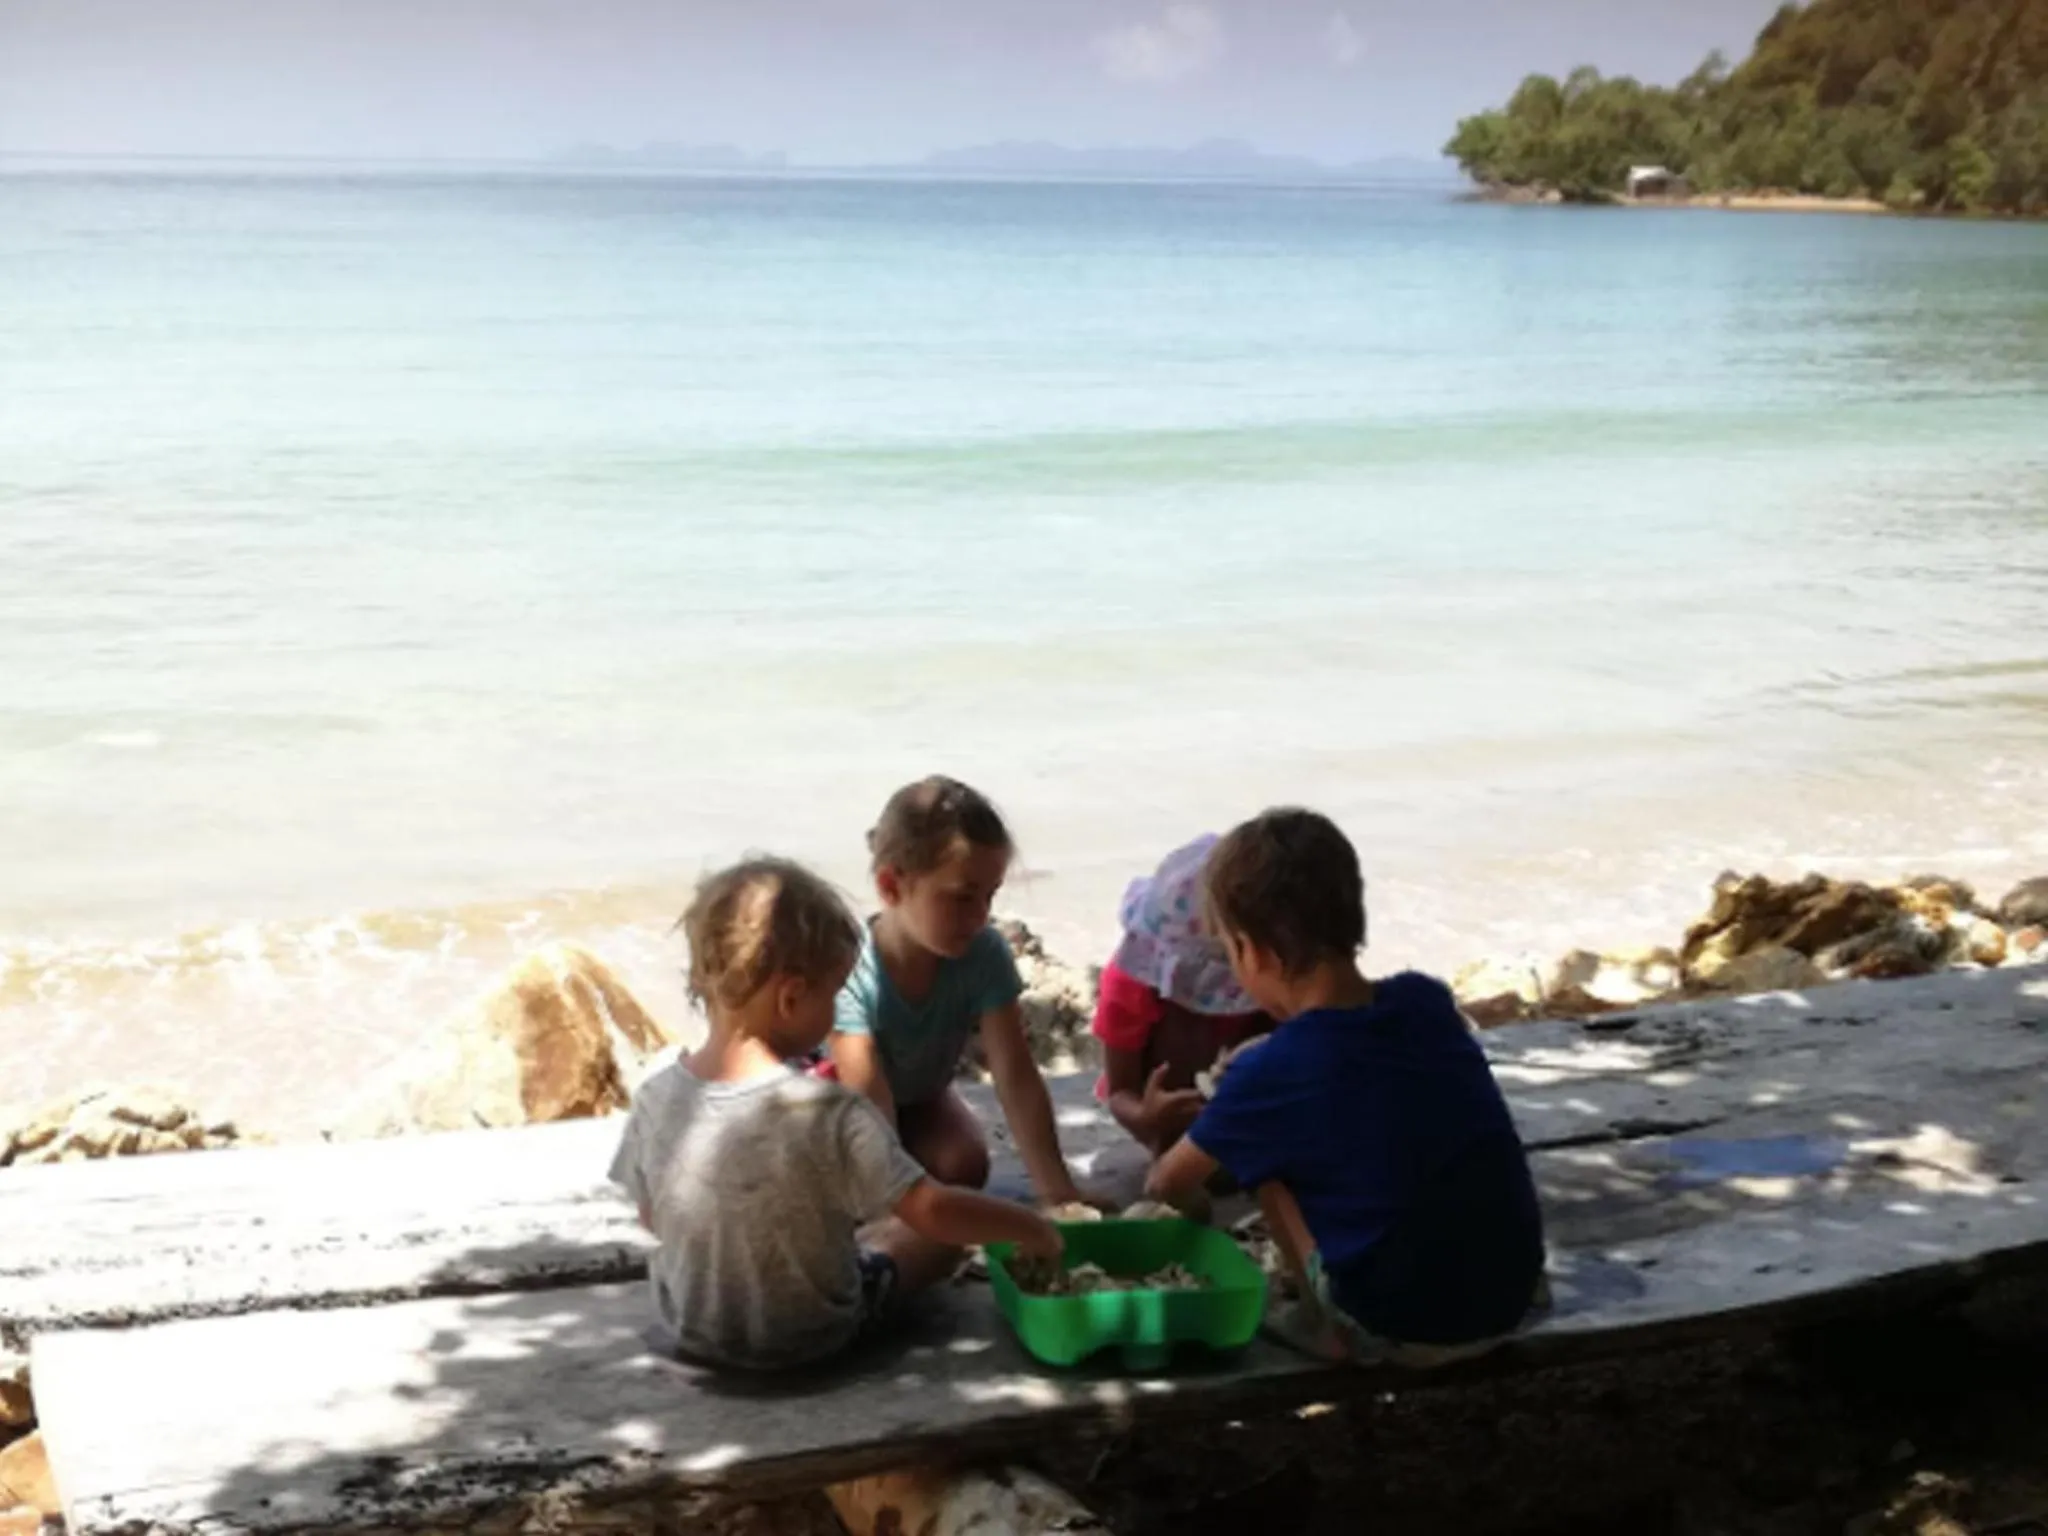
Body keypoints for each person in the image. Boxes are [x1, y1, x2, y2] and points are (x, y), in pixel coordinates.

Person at [610, 856, 1061, 1371]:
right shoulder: (829, 1112)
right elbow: (934, 1211)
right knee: (933, 1242)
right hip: (813, 1336)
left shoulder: (655, 1097)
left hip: (693, 1331)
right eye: (835, 993)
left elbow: (651, 1216)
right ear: (792, 997)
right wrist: (1029, 1227)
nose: (837, 1012)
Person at [1146, 808, 1546, 1364]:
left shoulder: (1271, 1076)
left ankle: (1324, 1324)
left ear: (1254, 952)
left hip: (1402, 1322)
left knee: (1269, 1162)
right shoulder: (1424, 1001)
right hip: (1512, 1295)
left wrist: (1186, 1162)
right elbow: (1359, 1063)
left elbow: (1167, 1182)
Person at [827, 776, 1096, 1208]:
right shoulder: (851, 968)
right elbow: (868, 1102)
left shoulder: (982, 953)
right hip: (844, 1112)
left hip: (921, 1097)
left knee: (964, 1165)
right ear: (892, 887)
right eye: (961, 898)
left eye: (989, 897)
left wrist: (1057, 1192)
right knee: (858, 1191)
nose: (979, 917)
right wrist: (896, 1210)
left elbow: (1015, 1073)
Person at [1093, 834, 1272, 1157]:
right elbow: (1120, 1090)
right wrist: (1145, 1116)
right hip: (1165, 1104)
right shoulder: (1130, 983)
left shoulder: (1273, 972)